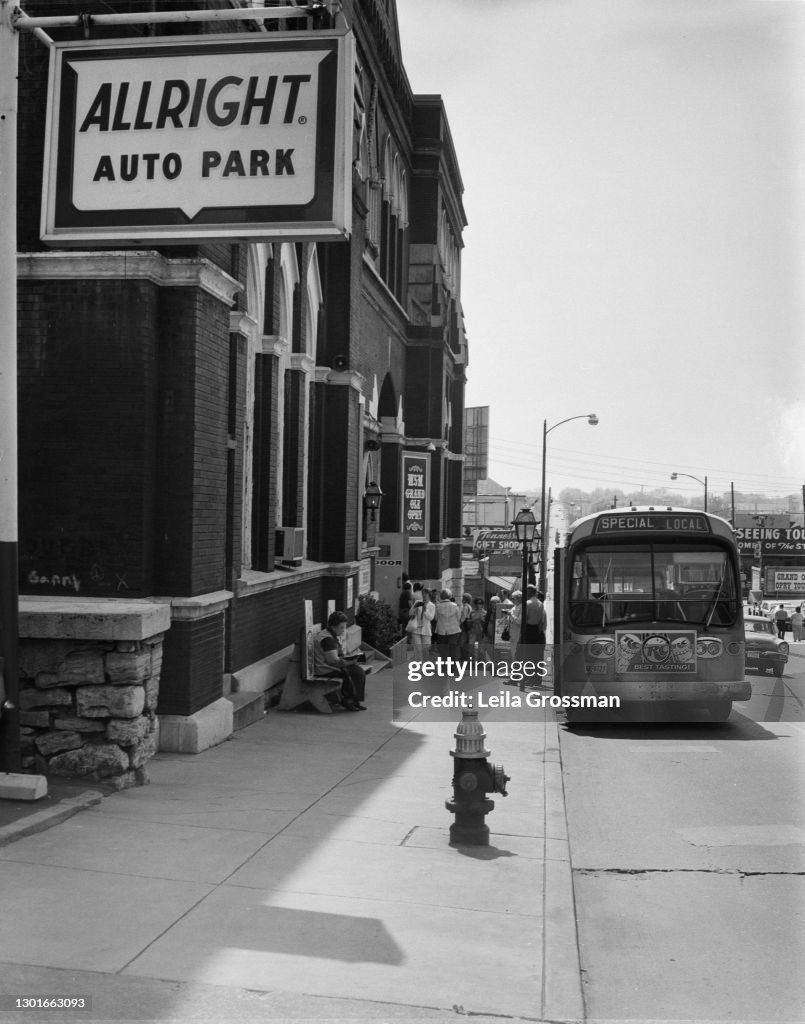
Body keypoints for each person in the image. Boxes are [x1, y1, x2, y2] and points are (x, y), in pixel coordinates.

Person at [312, 611, 367, 711]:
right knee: (355, 672)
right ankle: (349, 700)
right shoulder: (327, 639)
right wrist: (352, 661)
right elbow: (333, 661)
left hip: (328, 665)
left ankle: (355, 700)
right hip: (325, 668)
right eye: (342, 627)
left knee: (358, 670)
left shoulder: (329, 634)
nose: (343, 630)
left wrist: (351, 659)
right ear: (334, 627)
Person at [434, 589, 463, 657]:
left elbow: (436, 618)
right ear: (450, 596)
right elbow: (458, 617)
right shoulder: (455, 606)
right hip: (454, 630)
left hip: (442, 631)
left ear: (441, 596)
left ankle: (444, 666)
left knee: (443, 652)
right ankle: (452, 667)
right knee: (452, 651)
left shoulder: (438, 606)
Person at [407, 587, 435, 651]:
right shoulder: (418, 602)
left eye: (426, 593)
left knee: (425, 650)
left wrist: (425, 611)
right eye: (423, 593)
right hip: (416, 629)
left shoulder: (432, 605)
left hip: (426, 630)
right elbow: (410, 613)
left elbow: (431, 618)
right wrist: (415, 607)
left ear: (429, 595)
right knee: (418, 650)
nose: (424, 595)